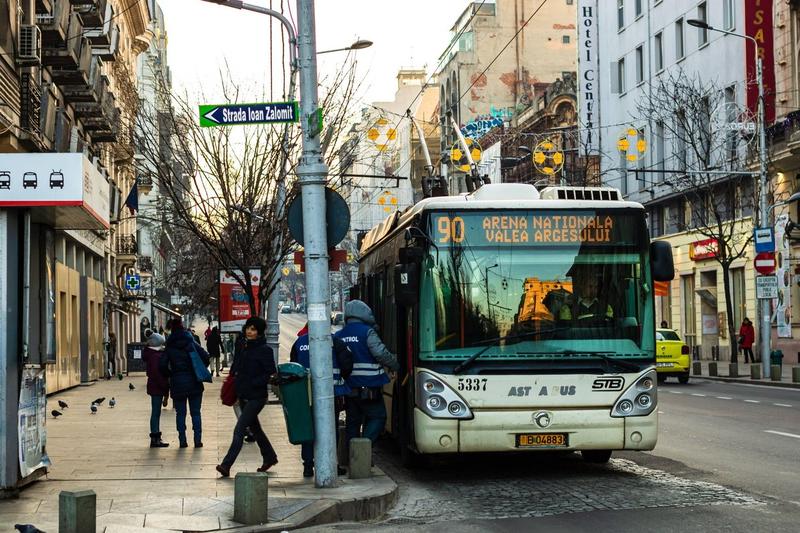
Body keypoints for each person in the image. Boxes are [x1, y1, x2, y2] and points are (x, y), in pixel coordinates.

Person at [216, 317, 278, 477]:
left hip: (257, 396)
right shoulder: (243, 346)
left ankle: (226, 465)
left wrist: (253, 382)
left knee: (239, 429)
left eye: (253, 329)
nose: (249, 332)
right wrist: (233, 381)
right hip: (243, 394)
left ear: (259, 332)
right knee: (256, 430)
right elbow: (236, 368)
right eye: (248, 328)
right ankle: (270, 457)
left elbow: (270, 373)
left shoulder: (265, 350)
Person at [291, 323, 354, 478]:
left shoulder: (299, 342)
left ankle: (307, 465)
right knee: (330, 429)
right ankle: (332, 464)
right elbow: (347, 366)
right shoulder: (336, 342)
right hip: (332, 394)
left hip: (307, 394)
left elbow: (294, 366)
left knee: (308, 429)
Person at [334, 300, 399, 446]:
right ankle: (364, 446)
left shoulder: (338, 335)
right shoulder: (367, 332)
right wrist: (395, 365)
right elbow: (381, 353)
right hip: (369, 387)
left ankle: (353, 458)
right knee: (379, 417)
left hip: (349, 388)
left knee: (353, 422)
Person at [159, 318, 210, 448]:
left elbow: (162, 365)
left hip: (178, 383)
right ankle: (197, 440)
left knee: (180, 413)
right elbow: (206, 357)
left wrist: (170, 374)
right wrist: (197, 367)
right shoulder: (191, 342)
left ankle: (182, 441)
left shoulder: (170, 347)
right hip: (194, 382)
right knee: (196, 413)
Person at [142, 329, 169, 448]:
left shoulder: (153, 354)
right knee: (155, 413)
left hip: (155, 386)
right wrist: (165, 386)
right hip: (157, 387)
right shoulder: (155, 356)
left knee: (156, 412)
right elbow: (157, 374)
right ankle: (155, 438)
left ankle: (156, 437)